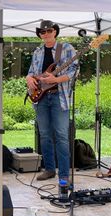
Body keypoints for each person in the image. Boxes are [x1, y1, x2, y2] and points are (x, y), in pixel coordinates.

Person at [26, 20, 78, 182]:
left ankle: (64, 174)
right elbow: (31, 72)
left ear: (55, 31)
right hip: (40, 97)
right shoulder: (38, 51)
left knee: (62, 135)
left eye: (49, 31)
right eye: (42, 32)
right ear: (40, 35)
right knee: (45, 135)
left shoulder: (67, 48)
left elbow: (74, 71)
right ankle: (49, 169)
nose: (46, 34)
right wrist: (28, 78)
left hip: (59, 97)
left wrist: (55, 79)